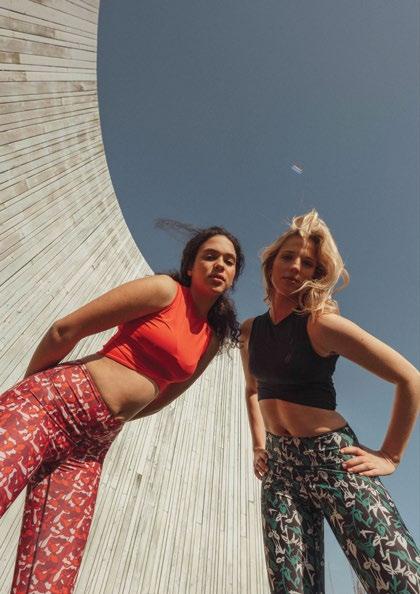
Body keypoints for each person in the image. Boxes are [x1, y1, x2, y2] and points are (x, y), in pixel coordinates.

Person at [0, 225, 244, 594]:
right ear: (190, 266)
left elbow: (164, 395)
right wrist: (29, 393)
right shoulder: (164, 291)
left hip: (88, 450)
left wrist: (109, 418)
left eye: (229, 261)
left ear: (234, 277)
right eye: (209, 256)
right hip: (49, 404)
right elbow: (65, 330)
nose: (219, 265)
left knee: (50, 575)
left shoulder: (211, 339)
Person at [240, 210, 419, 594]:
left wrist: (390, 455)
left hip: (333, 460)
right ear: (271, 263)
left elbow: (409, 379)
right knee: (290, 586)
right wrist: (258, 444)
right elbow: (252, 390)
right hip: (281, 470)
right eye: (288, 256)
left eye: (307, 263)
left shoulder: (321, 324)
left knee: (397, 578)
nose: (295, 267)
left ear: (316, 275)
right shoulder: (250, 331)